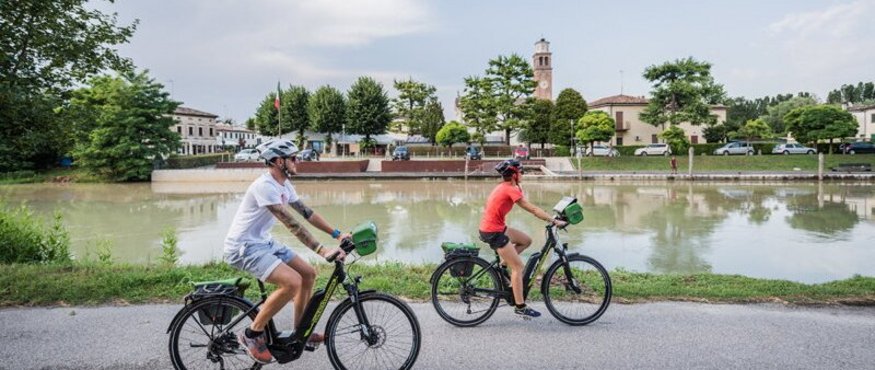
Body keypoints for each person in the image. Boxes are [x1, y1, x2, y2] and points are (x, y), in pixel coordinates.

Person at [224, 139, 348, 364]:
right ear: (279, 161)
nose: (297, 161)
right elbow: (291, 223)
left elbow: (307, 213)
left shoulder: (284, 184)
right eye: (293, 158)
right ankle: (251, 334)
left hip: (263, 242)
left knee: (308, 274)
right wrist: (322, 250)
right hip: (243, 247)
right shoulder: (265, 186)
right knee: (292, 282)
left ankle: (301, 333)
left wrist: (337, 235)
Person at [478, 159, 567, 318]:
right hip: (494, 231)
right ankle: (520, 306)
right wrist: (553, 221)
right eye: (521, 172)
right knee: (518, 267)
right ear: (514, 175)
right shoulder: (510, 190)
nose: (523, 174)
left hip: (494, 228)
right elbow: (532, 209)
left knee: (526, 241)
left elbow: (524, 200)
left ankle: (503, 264)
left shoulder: (505, 186)